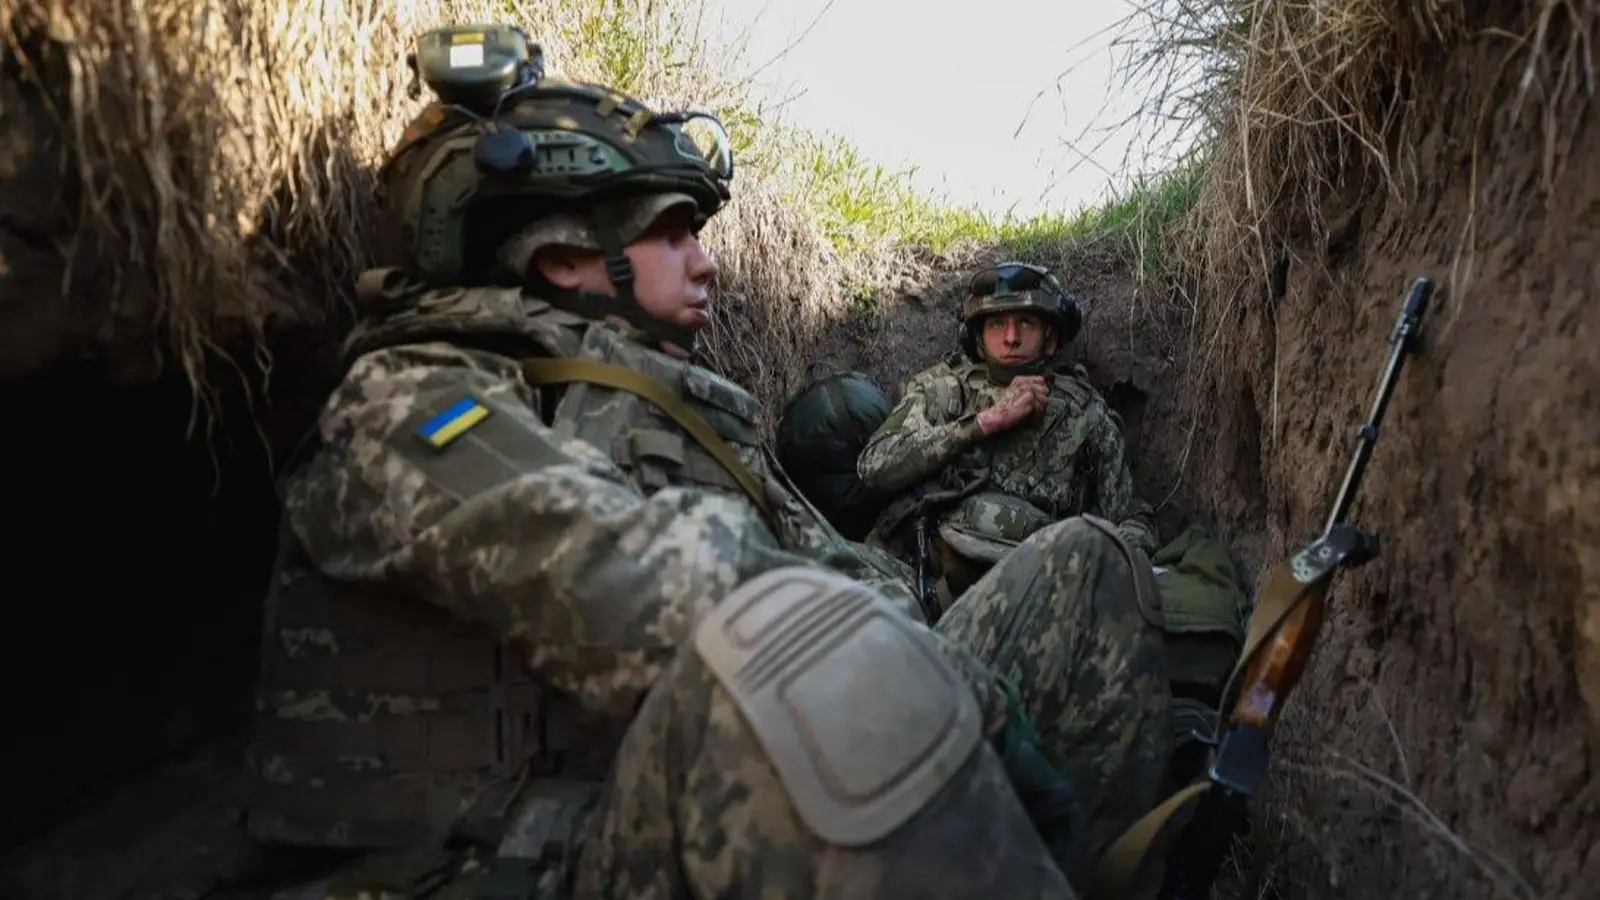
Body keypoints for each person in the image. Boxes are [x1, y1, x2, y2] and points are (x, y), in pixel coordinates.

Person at [240, 30, 1111, 899]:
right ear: (564, 258)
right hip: (471, 859)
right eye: (674, 232)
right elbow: (623, 573)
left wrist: (961, 684)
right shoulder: (411, 398)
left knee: (1089, 561)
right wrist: (952, 696)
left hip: (607, 812)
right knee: (811, 698)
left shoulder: (659, 404)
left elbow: (829, 566)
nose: (708, 261)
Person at [858, 262, 1158, 602]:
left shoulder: (1084, 413)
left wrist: (1110, 565)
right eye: (997, 324)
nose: (1011, 338)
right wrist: (982, 423)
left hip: (1036, 591)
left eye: (1026, 323)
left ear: (1050, 337)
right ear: (977, 337)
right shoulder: (943, 392)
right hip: (922, 578)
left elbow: (1131, 517)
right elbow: (874, 467)